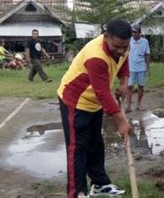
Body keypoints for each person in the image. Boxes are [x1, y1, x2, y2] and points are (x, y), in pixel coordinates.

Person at [57, 19, 133, 197]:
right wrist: (121, 122)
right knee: (78, 146)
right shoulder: (96, 56)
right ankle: (77, 192)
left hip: (94, 102)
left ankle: (99, 184)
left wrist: (124, 82)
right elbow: (103, 93)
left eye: (125, 46)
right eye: (117, 46)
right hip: (75, 101)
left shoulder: (123, 45)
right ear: (105, 37)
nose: (121, 50)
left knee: (96, 143)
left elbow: (123, 62)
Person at [125, 23, 151, 113]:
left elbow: (147, 54)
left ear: (139, 33)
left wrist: (148, 68)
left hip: (141, 68)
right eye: (132, 32)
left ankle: (138, 105)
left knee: (141, 86)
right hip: (131, 68)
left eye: (135, 32)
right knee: (129, 86)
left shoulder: (145, 42)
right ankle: (128, 106)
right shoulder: (129, 40)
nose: (133, 34)